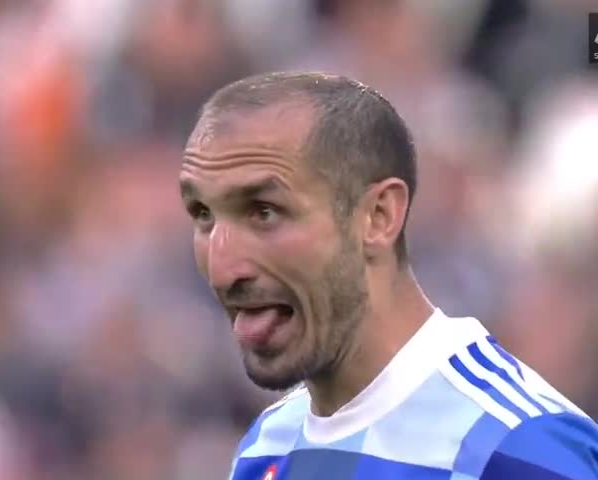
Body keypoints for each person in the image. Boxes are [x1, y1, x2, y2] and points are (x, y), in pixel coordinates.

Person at [178, 72, 598, 480]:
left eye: (264, 212)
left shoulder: (518, 448)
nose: (221, 268)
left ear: (378, 216)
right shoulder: (266, 448)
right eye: (203, 215)